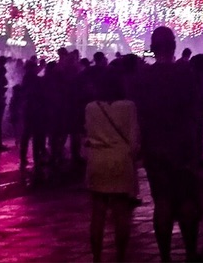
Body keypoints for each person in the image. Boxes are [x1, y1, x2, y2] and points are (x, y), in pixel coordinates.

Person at [127, 26, 203, 262]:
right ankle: (191, 252)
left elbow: (138, 111)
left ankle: (165, 256)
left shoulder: (143, 77)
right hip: (183, 146)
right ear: (173, 46)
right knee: (187, 201)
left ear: (153, 47)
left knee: (162, 201)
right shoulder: (186, 74)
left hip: (155, 147)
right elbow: (196, 109)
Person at [86, 66, 141, 261]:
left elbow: (88, 133)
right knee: (121, 214)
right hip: (120, 160)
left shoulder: (91, 107)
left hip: (97, 160)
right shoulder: (129, 106)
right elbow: (134, 138)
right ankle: (120, 256)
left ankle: (97, 257)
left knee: (98, 214)